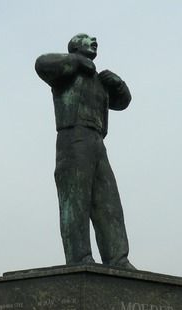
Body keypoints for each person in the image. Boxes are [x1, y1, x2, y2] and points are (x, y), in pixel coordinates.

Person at [35, 33, 135, 270]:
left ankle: (118, 258)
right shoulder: (66, 72)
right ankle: (80, 257)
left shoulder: (99, 81)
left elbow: (123, 102)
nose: (94, 39)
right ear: (74, 48)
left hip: (97, 142)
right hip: (73, 138)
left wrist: (118, 83)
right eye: (87, 38)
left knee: (108, 201)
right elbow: (41, 63)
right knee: (76, 200)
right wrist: (77, 62)